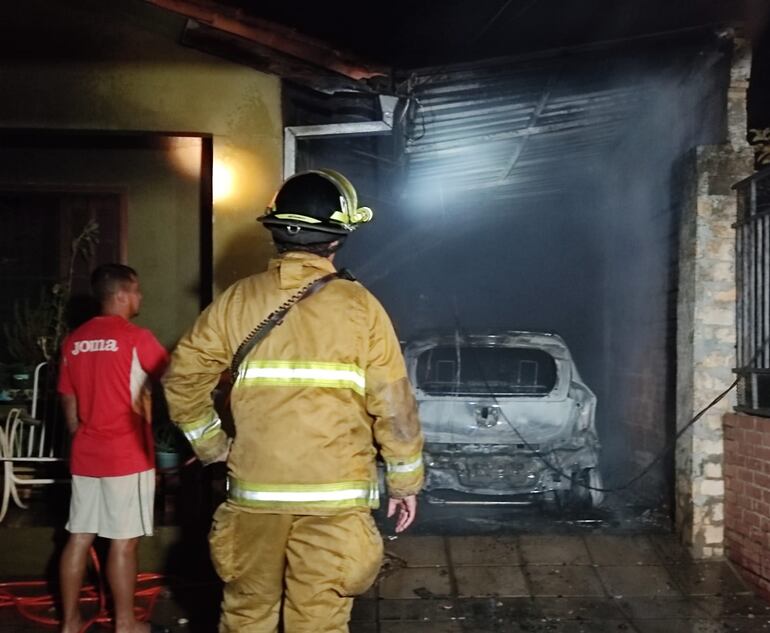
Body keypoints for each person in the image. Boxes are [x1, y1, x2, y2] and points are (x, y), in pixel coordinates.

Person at [162, 169, 425, 633]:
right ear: (336, 239)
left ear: (276, 231)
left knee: (246, 618)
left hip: (253, 499)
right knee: (319, 623)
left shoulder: (236, 301)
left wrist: (212, 447)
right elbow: (394, 405)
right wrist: (405, 482)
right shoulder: (361, 307)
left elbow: (182, 380)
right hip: (334, 503)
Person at [57, 264, 169, 633]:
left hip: (86, 455)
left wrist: (85, 442)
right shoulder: (136, 337)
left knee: (79, 538)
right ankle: (125, 623)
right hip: (127, 456)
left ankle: (70, 623)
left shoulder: (74, 341)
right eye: (136, 291)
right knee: (123, 544)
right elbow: (174, 379)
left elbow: (69, 405)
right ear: (121, 294)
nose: (140, 298)